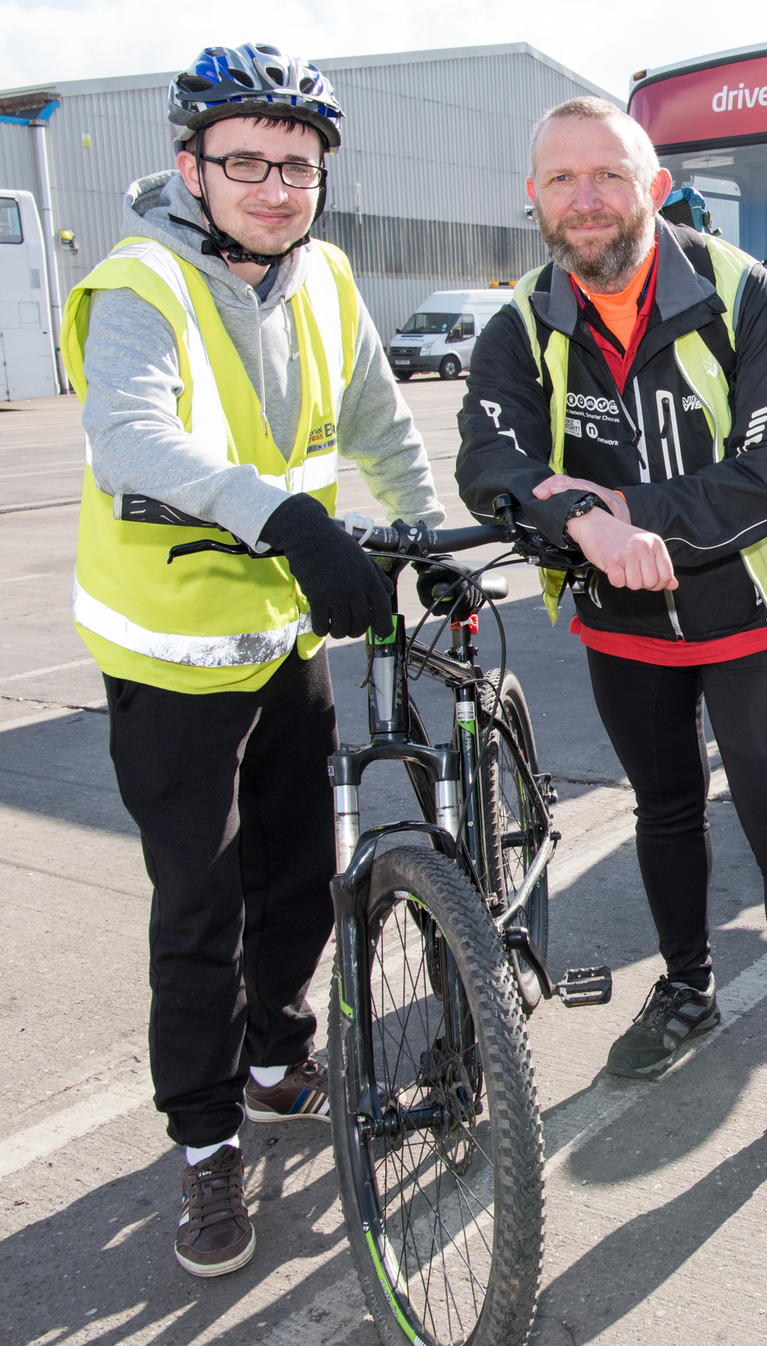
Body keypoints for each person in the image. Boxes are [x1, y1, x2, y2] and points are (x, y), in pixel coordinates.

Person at [61, 43, 441, 1277]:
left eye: (299, 164)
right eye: (247, 162)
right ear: (191, 166)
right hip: (171, 654)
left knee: (302, 870)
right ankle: (207, 1142)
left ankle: (278, 1061)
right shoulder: (141, 282)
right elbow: (131, 439)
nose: (277, 186)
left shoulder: (324, 275)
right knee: (202, 904)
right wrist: (283, 517)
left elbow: (382, 423)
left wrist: (423, 539)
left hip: (280, 636)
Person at [455, 97, 767, 1166]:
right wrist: (574, 517)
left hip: (754, 615)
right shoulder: (521, 321)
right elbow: (488, 456)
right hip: (623, 627)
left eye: (608, 175)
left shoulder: (743, 294)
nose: (585, 199)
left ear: (653, 184)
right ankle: (687, 988)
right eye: (562, 180)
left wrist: (623, 516)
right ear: (534, 198)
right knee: (667, 808)